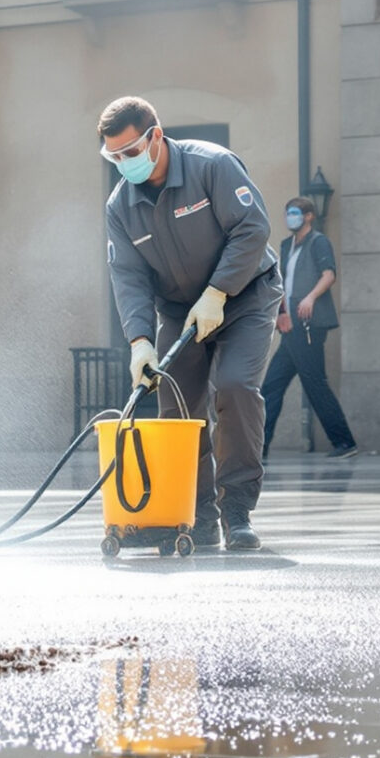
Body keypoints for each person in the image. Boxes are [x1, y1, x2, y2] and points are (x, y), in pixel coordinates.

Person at [100, 97, 283, 551]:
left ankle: (236, 510)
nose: (124, 163)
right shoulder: (120, 206)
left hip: (244, 297)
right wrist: (140, 341)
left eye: (130, 152)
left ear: (155, 137)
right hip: (180, 313)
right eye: (114, 157)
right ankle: (198, 516)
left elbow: (252, 228)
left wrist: (219, 291)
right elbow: (128, 275)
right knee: (179, 407)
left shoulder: (211, 166)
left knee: (235, 386)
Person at [262, 196, 361, 459]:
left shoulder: (319, 242)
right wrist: (282, 312)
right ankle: (258, 447)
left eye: (294, 213)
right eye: (287, 213)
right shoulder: (286, 246)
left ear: (308, 216)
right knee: (272, 385)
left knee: (313, 384)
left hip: (308, 325)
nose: (289, 218)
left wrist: (310, 298)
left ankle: (344, 442)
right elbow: (279, 282)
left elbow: (329, 274)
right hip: (291, 325)